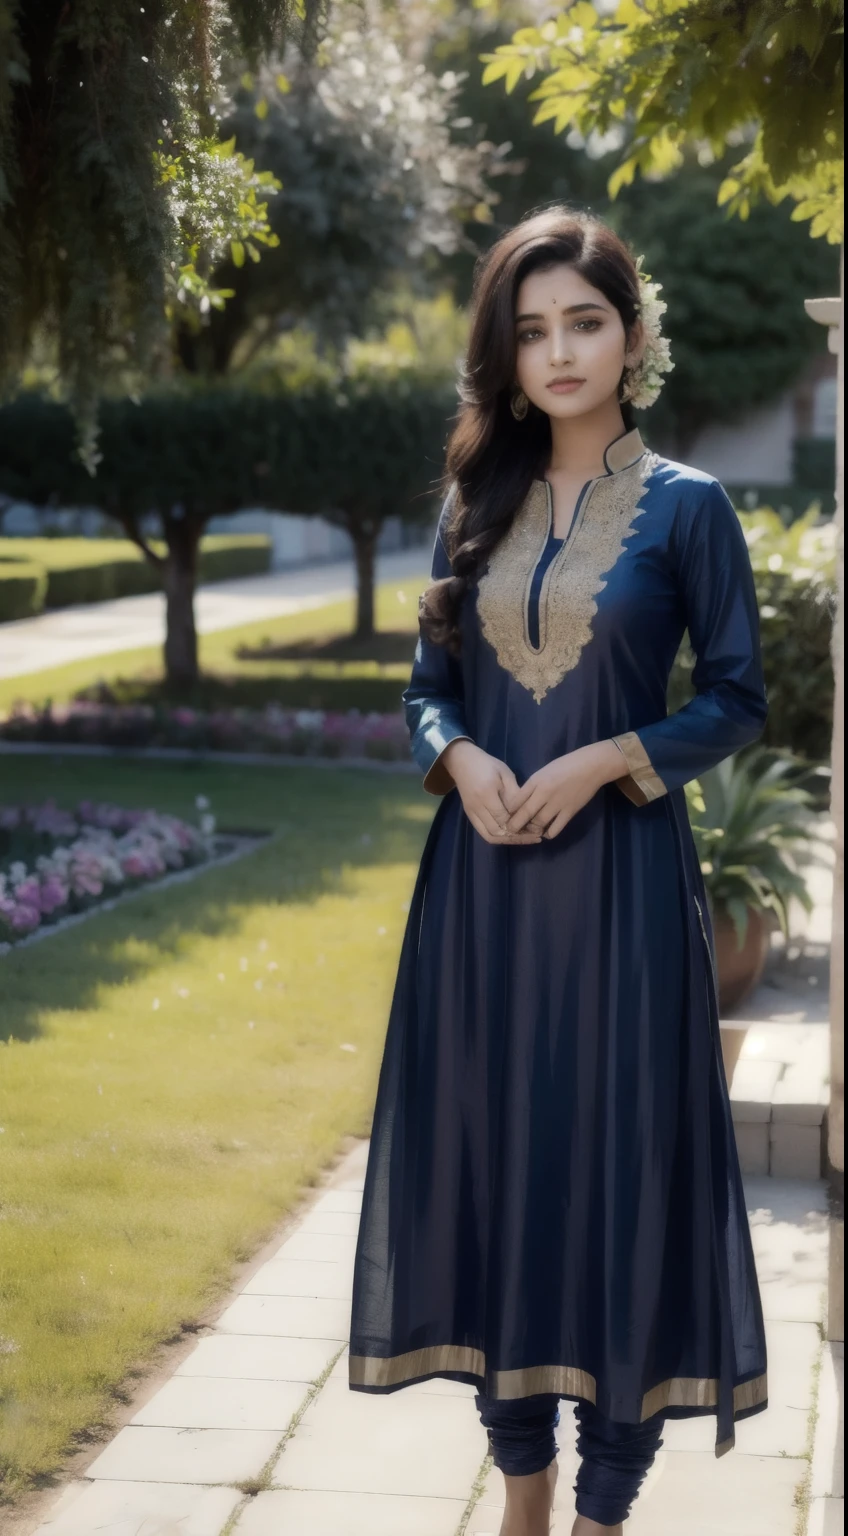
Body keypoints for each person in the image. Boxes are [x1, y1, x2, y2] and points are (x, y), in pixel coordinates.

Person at [347, 206, 770, 1536]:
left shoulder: (692, 510)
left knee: (623, 1187)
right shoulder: (474, 502)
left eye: (585, 320)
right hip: (483, 901)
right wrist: (461, 759)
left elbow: (738, 702)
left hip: (625, 896)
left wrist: (601, 762)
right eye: (532, 330)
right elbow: (429, 690)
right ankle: (520, 1500)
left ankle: (600, 1515)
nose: (561, 350)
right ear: (507, 352)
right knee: (497, 1177)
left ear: (632, 335)